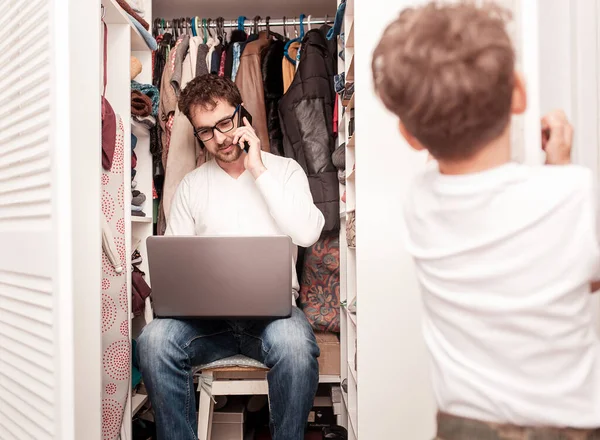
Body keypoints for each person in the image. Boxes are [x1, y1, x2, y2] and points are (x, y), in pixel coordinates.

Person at [372, 2, 600, 439]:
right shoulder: (570, 191)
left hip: (466, 427)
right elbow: (585, 279)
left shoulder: (419, 203)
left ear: (409, 136)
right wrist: (562, 164)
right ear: (519, 93)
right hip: (569, 425)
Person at [137, 75, 324, 440]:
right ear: (196, 133)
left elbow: (307, 233)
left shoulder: (284, 172)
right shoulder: (192, 184)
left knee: (297, 348)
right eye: (207, 131)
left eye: (225, 123)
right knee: (153, 341)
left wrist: (258, 169)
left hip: (274, 320)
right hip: (208, 326)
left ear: (242, 114)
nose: (220, 138)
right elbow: (175, 263)